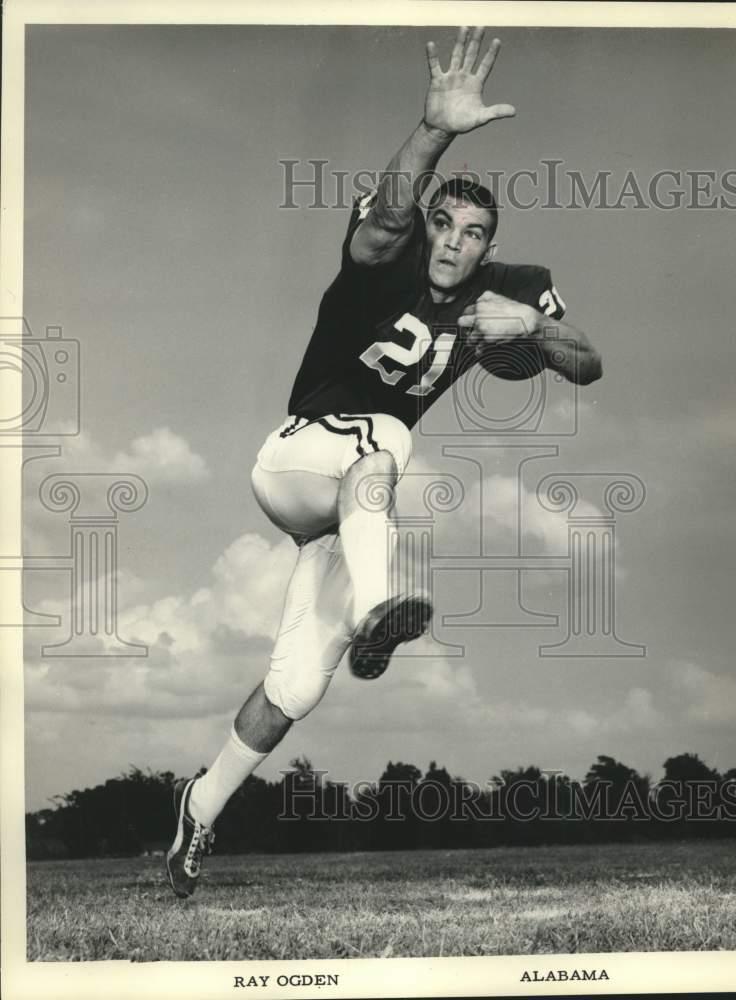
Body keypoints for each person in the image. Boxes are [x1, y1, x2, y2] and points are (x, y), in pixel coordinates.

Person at [166, 26, 602, 898]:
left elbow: (589, 360)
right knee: (385, 442)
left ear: (489, 245)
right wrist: (435, 129)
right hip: (297, 462)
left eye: (472, 233)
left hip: (352, 513)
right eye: (444, 224)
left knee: (293, 689)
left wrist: (537, 329)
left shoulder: (511, 284)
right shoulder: (383, 259)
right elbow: (392, 213)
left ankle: (195, 814)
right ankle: (379, 609)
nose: (451, 242)